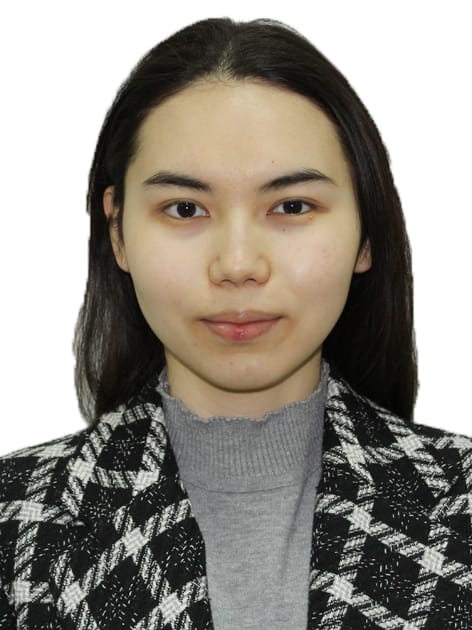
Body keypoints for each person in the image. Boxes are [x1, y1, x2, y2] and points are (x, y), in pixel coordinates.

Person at [0, 16, 471, 630]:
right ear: (117, 231)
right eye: (185, 209)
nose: (239, 265)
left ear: (365, 232)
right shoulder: (16, 524)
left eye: (292, 206)